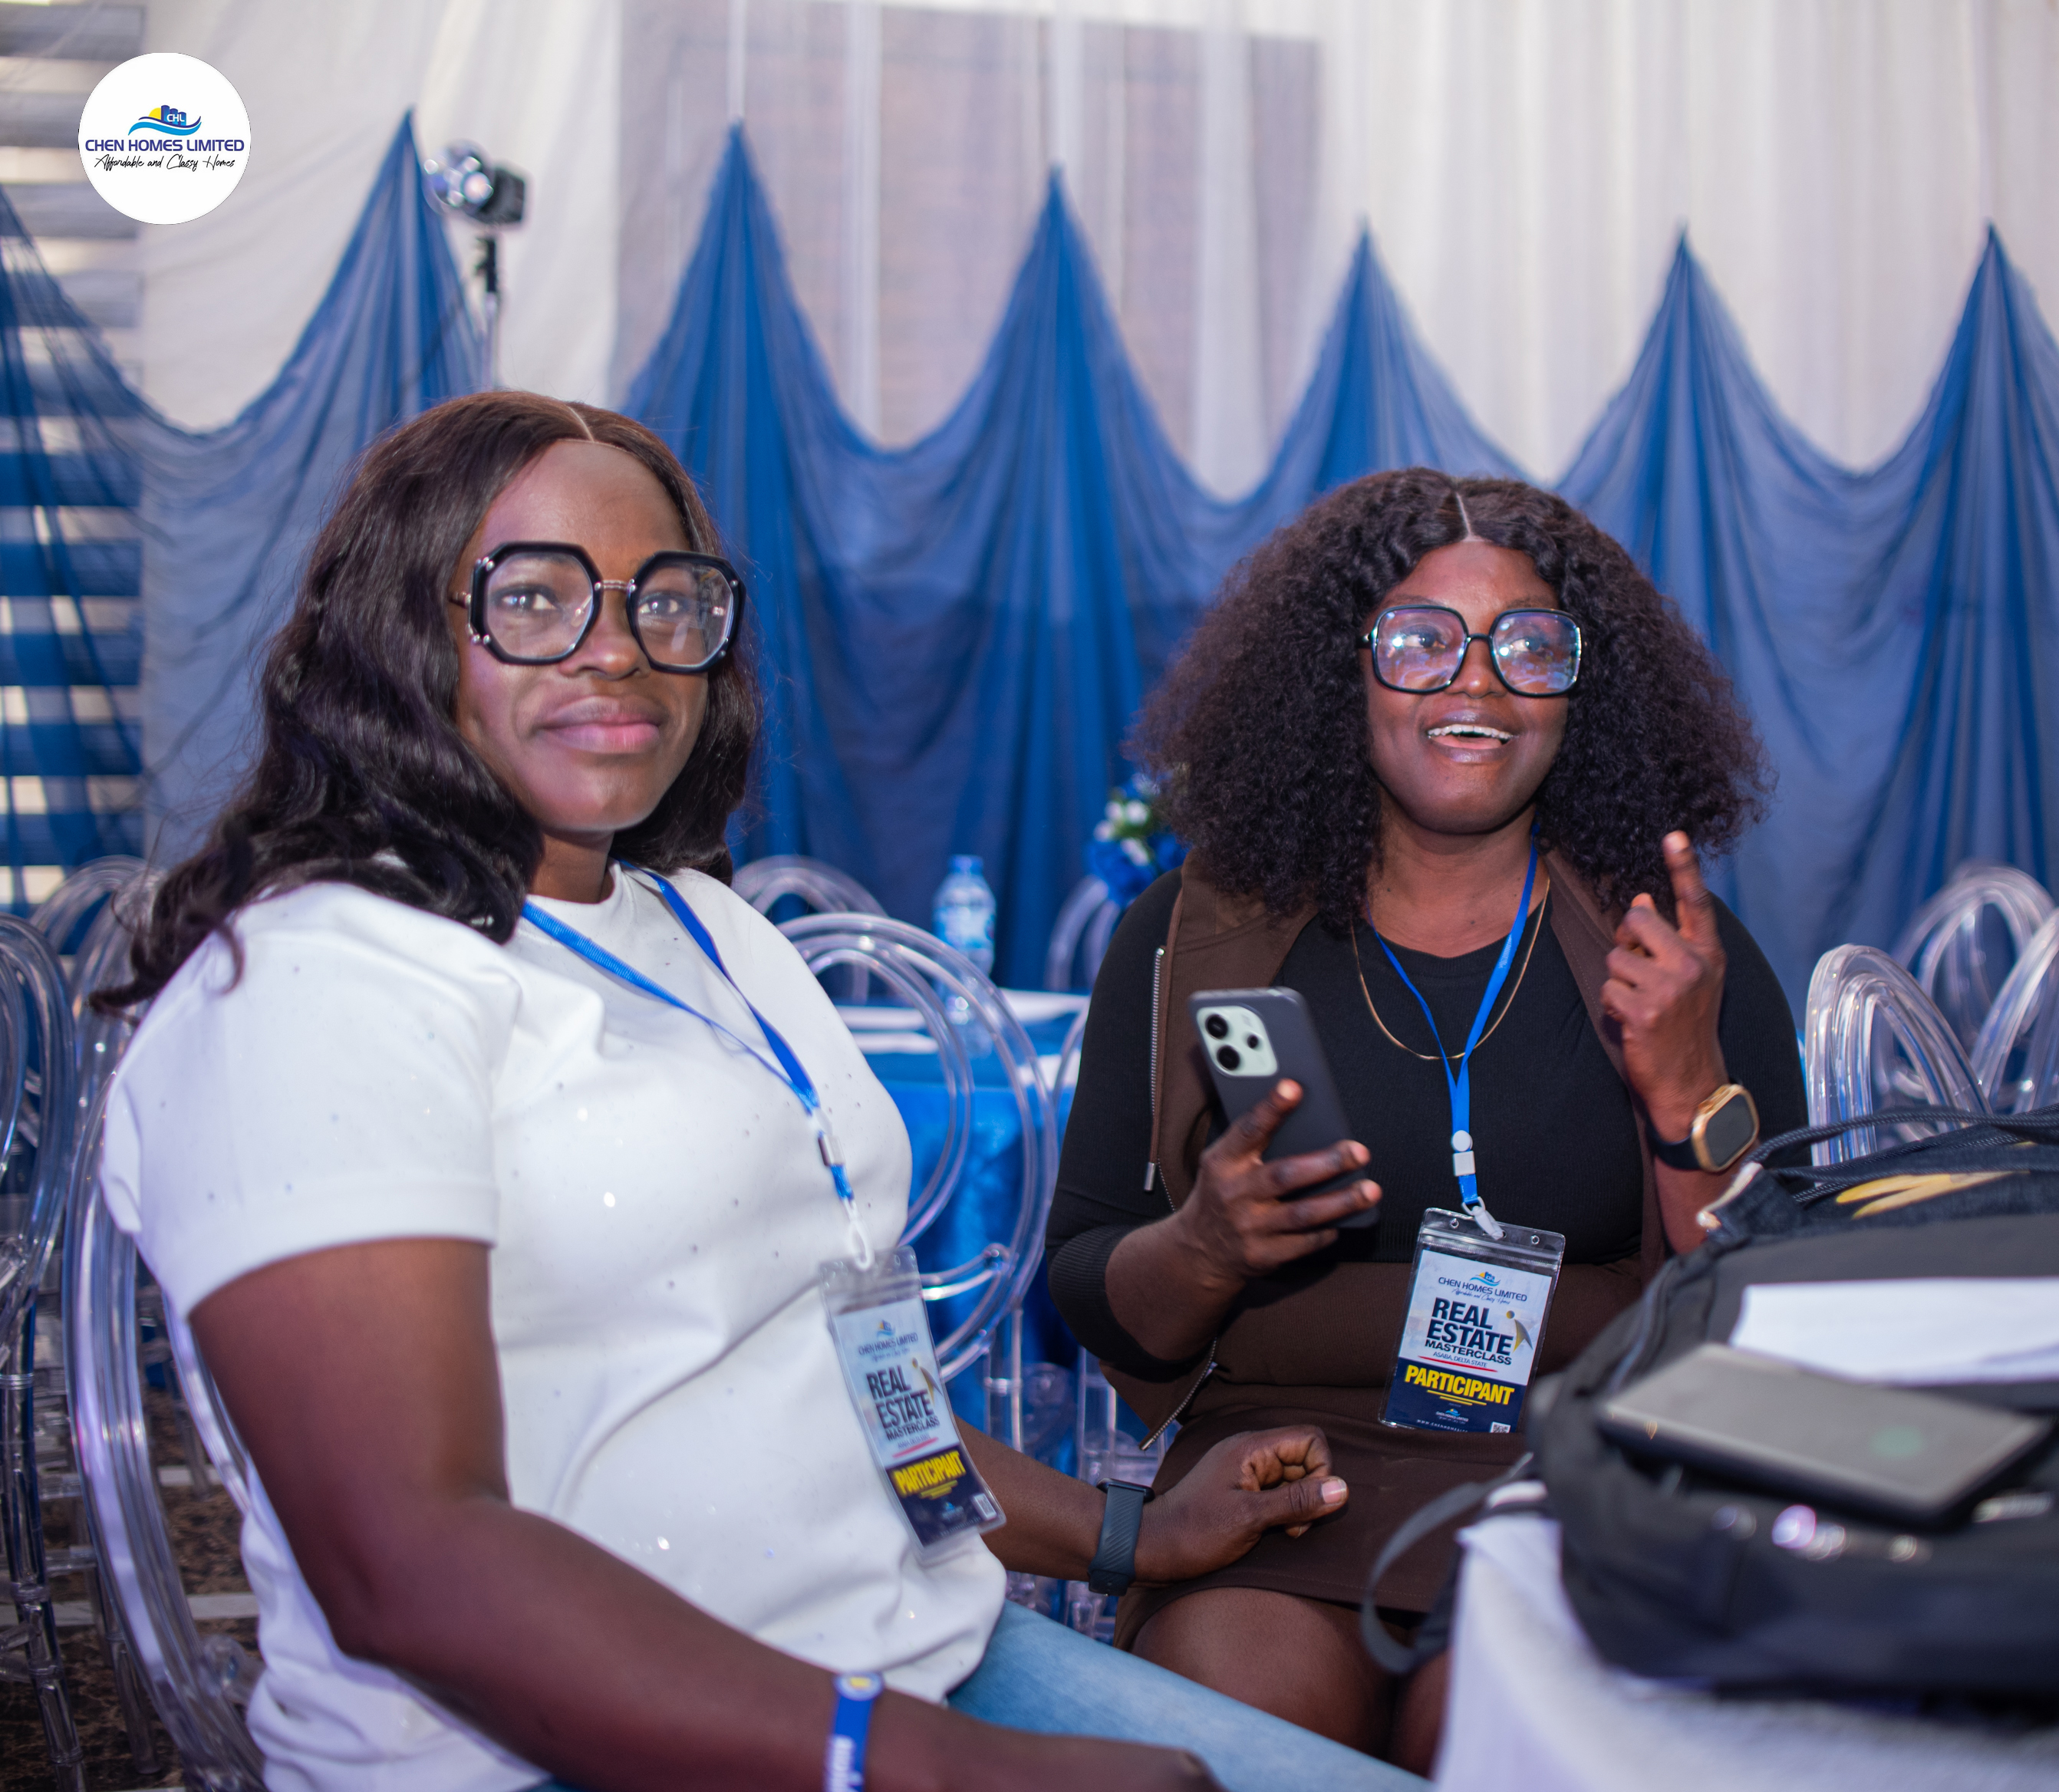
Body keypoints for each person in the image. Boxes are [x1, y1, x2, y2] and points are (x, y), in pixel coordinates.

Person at [97, 393, 1429, 1792]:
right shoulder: (320, 981)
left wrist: (1124, 1535)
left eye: (665, 602)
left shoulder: (712, 931)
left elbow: (852, 1392)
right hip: (541, 1750)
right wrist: (934, 1766)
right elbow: (405, 1565)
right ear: (401, 630)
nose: (617, 647)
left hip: (912, 1662)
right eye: (536, 597)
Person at [1044, 469, 1807, 1768]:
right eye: (1419, 642)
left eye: (1528, 646)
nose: (1478, 685)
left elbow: (1771, 1308)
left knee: (1509, 1730)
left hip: (1578, 1473)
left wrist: (1688, 1097)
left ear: (1582, 688)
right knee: (1237, 1740)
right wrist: (1206, 1246)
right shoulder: (1188, 937)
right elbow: (1092, 1291)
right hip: (1280, 1485)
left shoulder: (1671, 951)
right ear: (1340, 673)